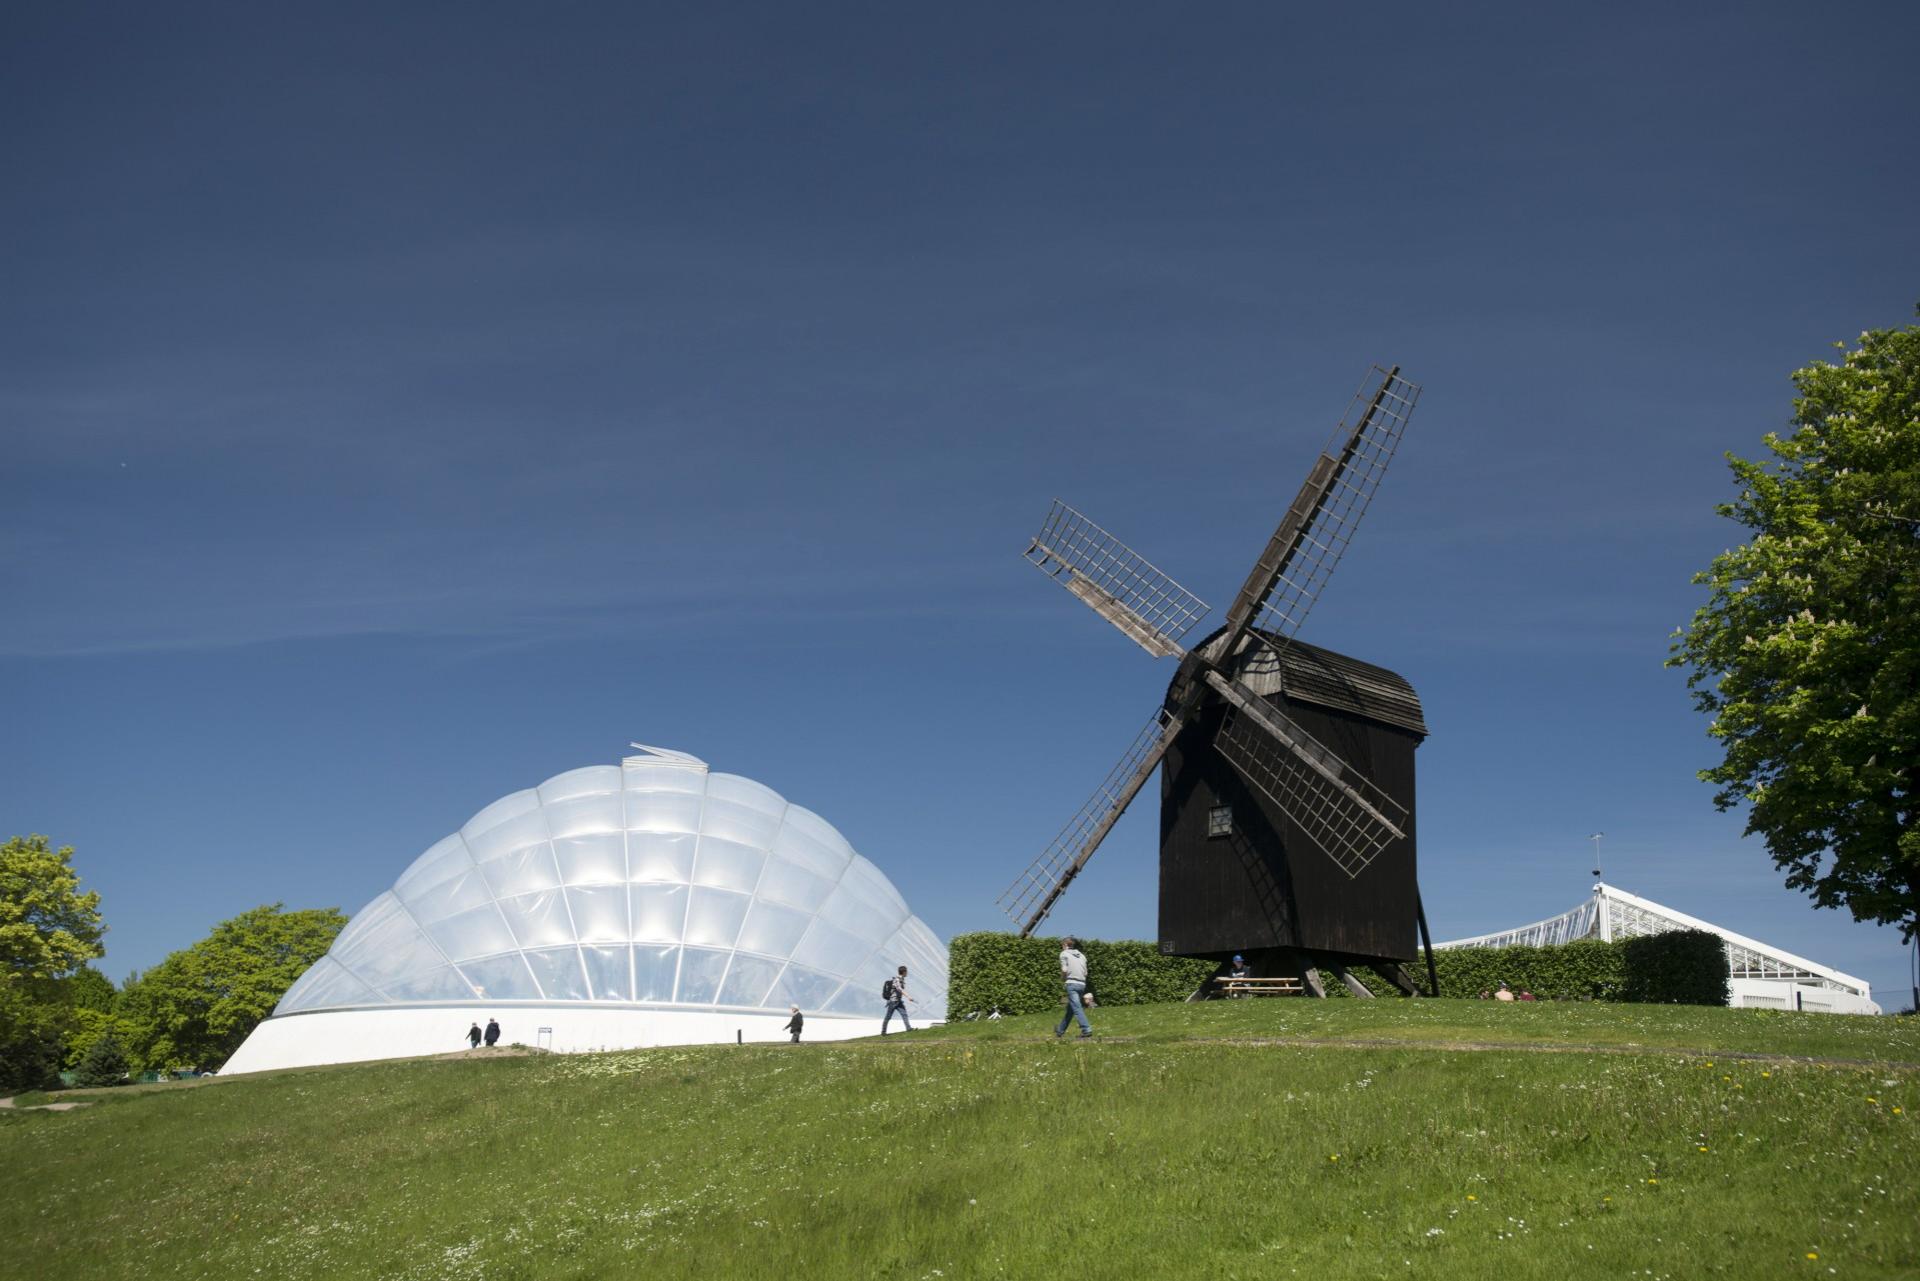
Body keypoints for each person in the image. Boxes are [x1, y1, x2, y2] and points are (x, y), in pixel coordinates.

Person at [1055, 936, 1092, 1039]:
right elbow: (1085, 972)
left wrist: (1062, 979)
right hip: (1082, 984)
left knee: (1076, 1008)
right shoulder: (1082, 956)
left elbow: (1064, 970)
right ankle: (1060, 1031)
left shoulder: (1064, 954)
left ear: (1065, 945)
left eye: (1062, 945)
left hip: (1071, 984)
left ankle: (1086, 1029)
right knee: (1071, 1009)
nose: (1062, 947)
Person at [881, 965, 912, 1034]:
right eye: (906, 971)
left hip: (898, 1001)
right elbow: (899, 989)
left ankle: (909, 1028)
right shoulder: (897, 979)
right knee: (888, 1017)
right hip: (893, 1001)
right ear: (903, 972)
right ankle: (883, 1032)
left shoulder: (902, 979)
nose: (907, 973)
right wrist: (908, 997)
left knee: (904, 1014)